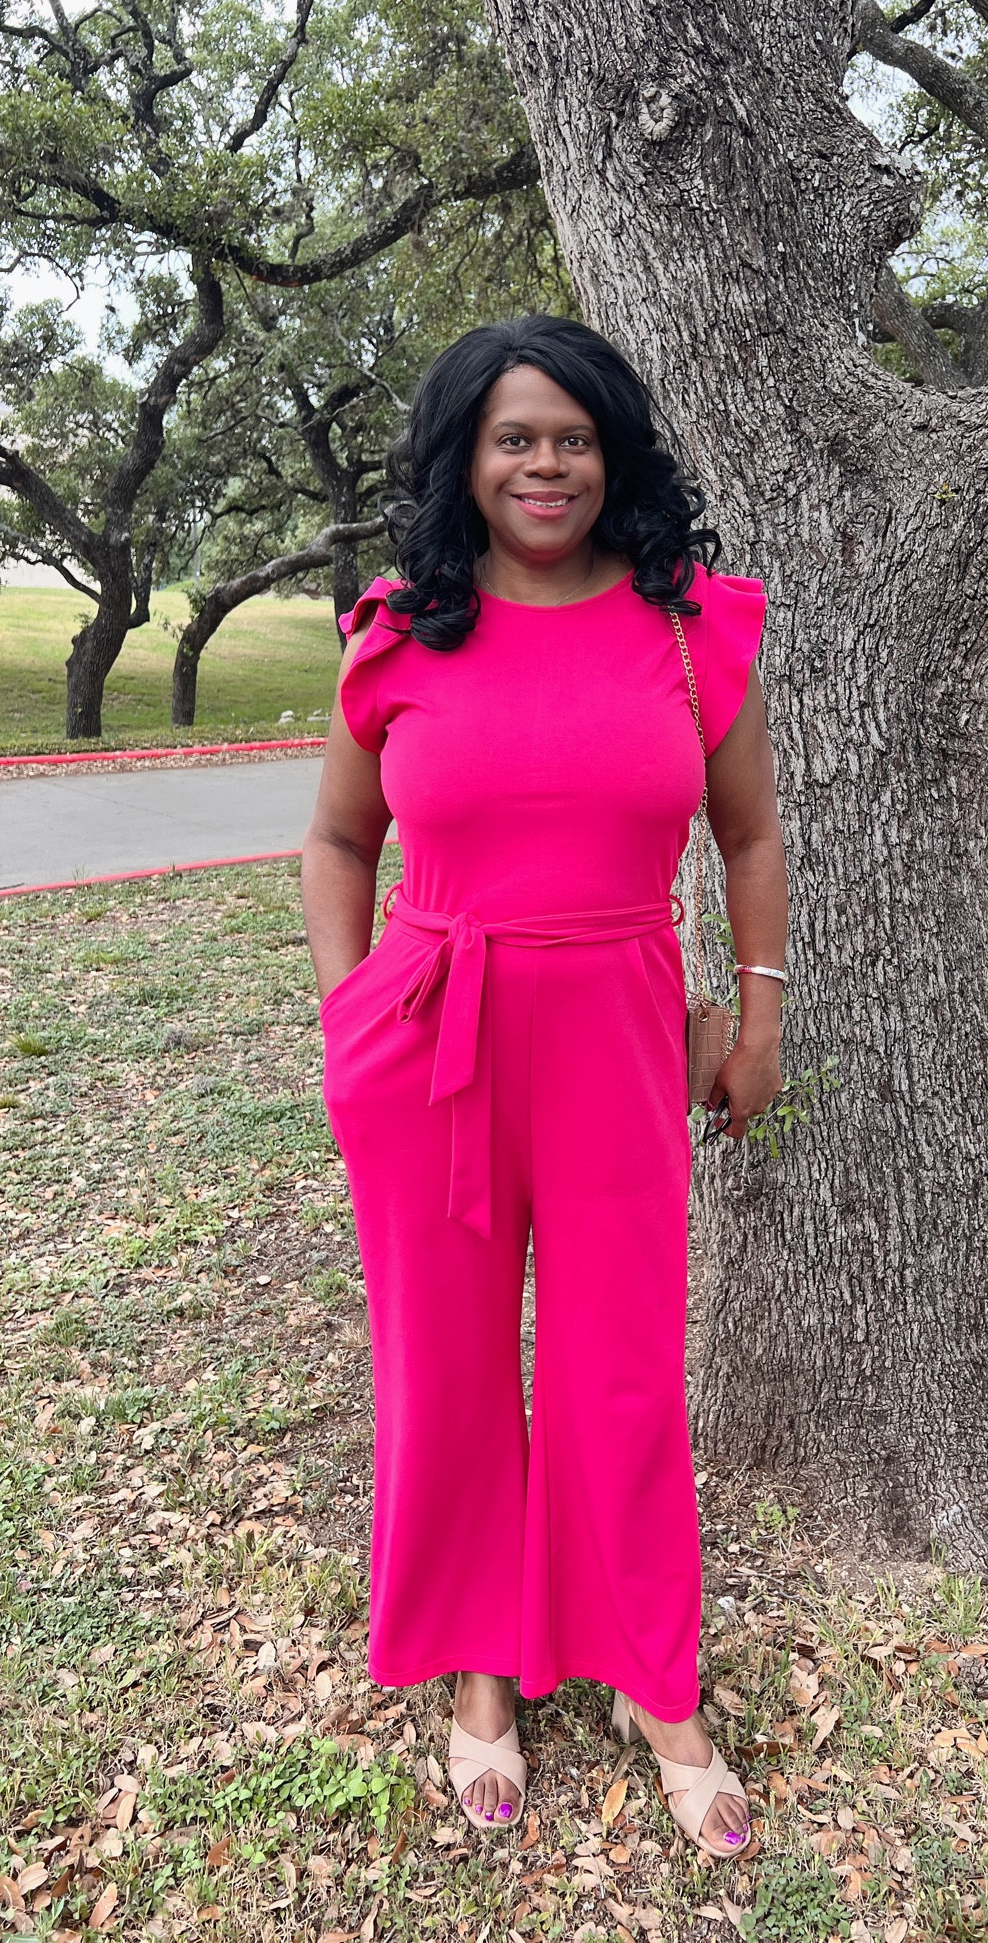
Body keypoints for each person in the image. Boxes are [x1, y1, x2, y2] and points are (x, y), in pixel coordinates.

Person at [300, 314, 788, 1858]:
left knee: (621, 1368)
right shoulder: (397, 629)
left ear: (613, 451)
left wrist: (758, 1011)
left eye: (572, 435)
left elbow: (751, 837)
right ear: (467, 457)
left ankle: (656, 1684)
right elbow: (337, 842)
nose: (545, 462)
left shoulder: (692, 624)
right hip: (431, 1038)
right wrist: (350, 1004)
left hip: (624, 1032)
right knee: (442, 1366)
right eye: (514, 437)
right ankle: (479, 1674)